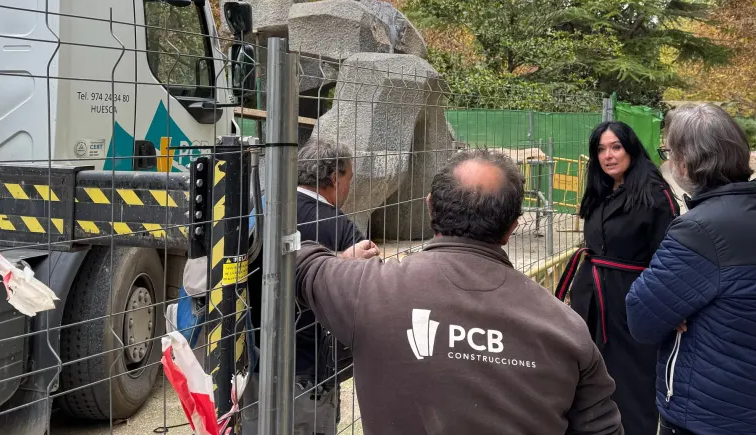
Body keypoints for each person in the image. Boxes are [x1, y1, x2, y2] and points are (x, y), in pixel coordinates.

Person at [294, 149, 624, 435]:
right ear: (512, 228)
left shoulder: (368, 289)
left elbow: (299, 262)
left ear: (430, 207)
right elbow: (602, 426)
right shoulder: (566, 329)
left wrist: (343, 260)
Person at [626, 104, 756, 435]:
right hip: (755, 409)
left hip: (701, 414)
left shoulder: (699, 230)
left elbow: (641, 318)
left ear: (686, 162)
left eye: (668, 152)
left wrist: (679, 310)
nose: (668, 162)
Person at [243, 138, 379, 435]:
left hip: (252, 362)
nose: (349, 187)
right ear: (335, 178)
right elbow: (366, 294)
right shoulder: (339, 226)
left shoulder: (261, 207)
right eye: (349, 178)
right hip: (309, 372)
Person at [553, 121, 679, 435]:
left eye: (616, 147)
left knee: (631, 385)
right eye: (601, 149)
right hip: (590, 300)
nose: (608, 155)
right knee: (585, 379)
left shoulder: (656, 195)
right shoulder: (601, 190)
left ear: (631, 148)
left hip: (631, 304)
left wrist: (672, 308)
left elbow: (670, 258)